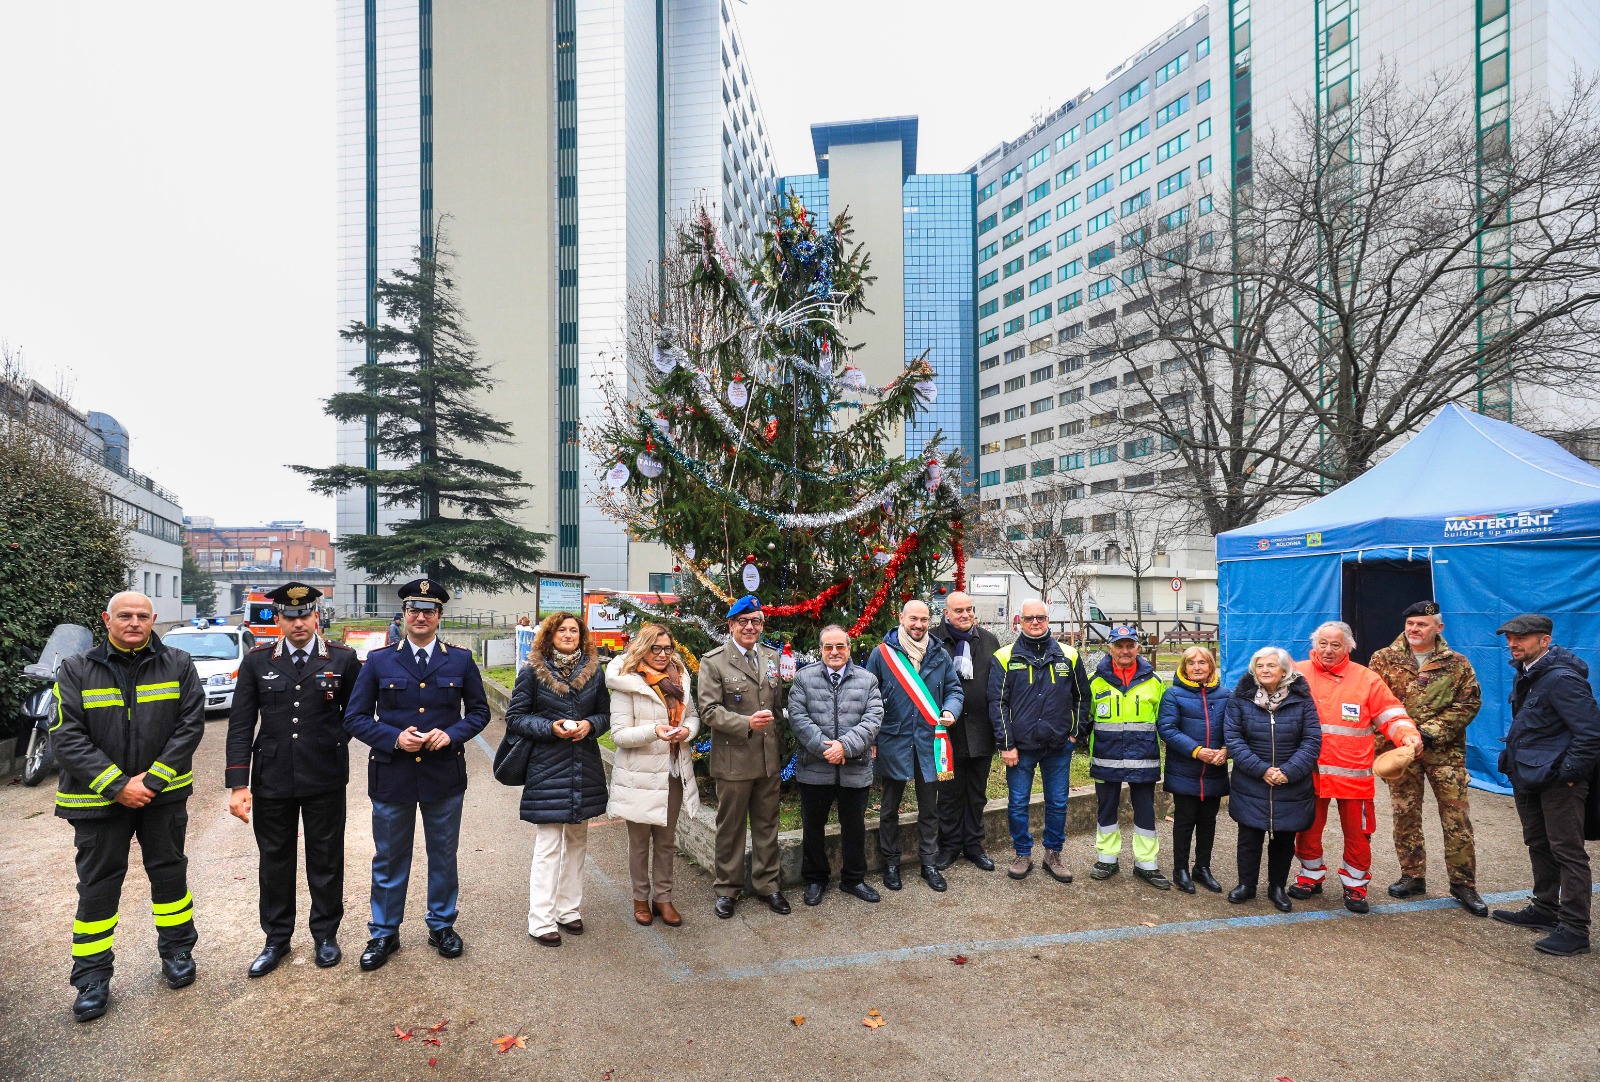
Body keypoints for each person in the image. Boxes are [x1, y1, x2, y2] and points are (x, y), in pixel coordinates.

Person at [50, 591, 206, 1022]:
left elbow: (190, 726)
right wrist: (117, 786)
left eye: (142, 616)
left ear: (154, 619)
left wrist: (151, 781)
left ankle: (177, 953)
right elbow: (66, 736)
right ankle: (92, 979)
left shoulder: (177, 663)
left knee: (170, 874)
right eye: (125, 616)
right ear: (107, 619)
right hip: (98, 801)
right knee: (97, 888)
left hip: (162, 797)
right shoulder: (76, 669)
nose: (134, 622)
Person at [344, 579, 490, 970]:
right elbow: (355, 717)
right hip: (394, 775)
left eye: (428, 611)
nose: (420, 617)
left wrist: (452, 733)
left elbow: (479, 712)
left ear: (439, 616)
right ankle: (384, 932)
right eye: (413, 610)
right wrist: (393, 738)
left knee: (443, 855)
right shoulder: (379, 660)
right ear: (404, 616)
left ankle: (441, 925)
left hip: (443, 775)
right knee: (390, 857)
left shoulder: (459, 660)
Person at [226, 581, 363, 977]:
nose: (298, 622)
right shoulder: (256, 661)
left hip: (324, 775)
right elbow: (240, 725)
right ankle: (276, 940)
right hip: (272, 778)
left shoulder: (342, 658)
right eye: (290, 616)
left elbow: (355, 712)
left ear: (316, 616)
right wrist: (239, 784)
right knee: (274, 861)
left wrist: (334, 740)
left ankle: (325, 935)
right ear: (278, 619)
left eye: (305, 615)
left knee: (326, 859)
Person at [1288, 621, 1423, 913]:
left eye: (1336, 644)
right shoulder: (1296, 674)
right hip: (1309, 772)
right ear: (1314, 644)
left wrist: (1408, 735)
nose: (1328, 650)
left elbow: (1391, 715)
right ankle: (1310, 876)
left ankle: (1355, 885)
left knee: (1359, 834)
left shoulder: (1367, 679)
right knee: (1307, 829)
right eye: (1322, 643)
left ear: (1348, 647)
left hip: (1353, 775)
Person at [1367, 601, 1487, 916]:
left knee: (1456, 818)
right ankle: (1412, 875)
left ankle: (1463, 884)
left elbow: (1469, 702)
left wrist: (1429, 733)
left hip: (1445, 753)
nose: (1414, 630)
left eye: (1421, 624)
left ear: (1438, 627)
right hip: (1400, 753)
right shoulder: (1383, 658)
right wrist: (1397, 739)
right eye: (1410, 624)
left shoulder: (1457, 663)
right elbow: (1373, 702)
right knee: (1405, 815)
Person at [1491, 614, 1600, 956]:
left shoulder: (1561, 679)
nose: (1513, 643)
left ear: (1544, 640)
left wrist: (1567, 773)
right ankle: (1545, 909)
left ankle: (1574, 928)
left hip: (1558, 781)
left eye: (1521, 638)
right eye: (1509, 638)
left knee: (1567, 851)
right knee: (1539, 843)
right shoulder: (1529, 674)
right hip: (1529, 776)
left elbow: (1590, 733)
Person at [508, 611, 611, 946]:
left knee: (578, 842)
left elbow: (605, 714)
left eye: (574, 630)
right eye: (562, 630)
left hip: (583, 765)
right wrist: (550, 727)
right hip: (547, 766)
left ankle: (568, 910)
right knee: (549, 845)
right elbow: (516, 718)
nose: (568, 634)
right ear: (549, 635)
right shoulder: (532, 672)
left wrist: (591, 725)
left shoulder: (594, 673)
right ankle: (540, 920)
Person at [697, 595, 790, 918]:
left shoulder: (771, 657)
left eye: (756, 622)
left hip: (767, 758)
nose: (750, 627)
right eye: (743, 622)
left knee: (767, 825)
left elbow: (776, 708)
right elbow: (708, 711)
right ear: (731, 625)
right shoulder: (714, 661)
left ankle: (768, 885)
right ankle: (727, 888)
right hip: (734, 758)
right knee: (731, 827)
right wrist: (745, 724)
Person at [987, 598, 1090, 883]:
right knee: (1018, 802)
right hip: (1020, 748)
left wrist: (1074, 733)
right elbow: (998, 704)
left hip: (1059, 746)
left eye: (1041, 618)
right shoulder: (1005, 656)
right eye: (1029, 618)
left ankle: (1053, 854)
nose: (1035, 622)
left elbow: (1082, 697)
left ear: (1048, 620)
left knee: (1057, 802)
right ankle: (1022, 853)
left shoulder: (1068, 655)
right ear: (1018, 621)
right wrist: (1006, 744)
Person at [864, 600, 964, 892]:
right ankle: (891, 864)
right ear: (901, 618)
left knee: (929, 808)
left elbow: (954, 690)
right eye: (913, 619)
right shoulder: (882, 654)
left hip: (930, 742)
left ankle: (929, 863)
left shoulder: (939, 654)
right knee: (889, 809)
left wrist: (951, 710)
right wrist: (871, 738)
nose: (918, 625)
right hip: (894, 740)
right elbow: (868, 696)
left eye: (924, 619)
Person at [604, 622, 699, 928]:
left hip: (672, 771)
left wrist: (687, 731)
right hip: (639, 775)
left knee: (667, 840)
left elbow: (694, 717)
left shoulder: (680, 676)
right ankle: (640, 899)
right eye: (655, 648)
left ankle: (663, 898)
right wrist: (654, 731)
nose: (661, 654)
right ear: (643, 648)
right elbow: (619, 734)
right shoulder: (626, 681)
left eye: (667, 648)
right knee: (639, 843)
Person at [787, 625, 885, 906]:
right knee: (813, 826)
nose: (834, 652)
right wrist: (826, 749)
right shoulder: (804, 679)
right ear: (820, 650)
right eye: (828, 647)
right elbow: (798, 718)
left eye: (840, 646)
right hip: (815, 768)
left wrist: (845, 747)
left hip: (854, 767)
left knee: (854, 826)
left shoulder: (867, 681)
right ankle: (816, 879)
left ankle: (854, 879)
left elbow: (873, 719)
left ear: (849, 648)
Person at [1224, 647, 1322, 911]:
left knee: (1283, 840)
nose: (1265, 671)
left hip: (1291, 783)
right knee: (1249, 837)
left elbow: (1312, 740)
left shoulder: (1302, 699)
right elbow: (1233, 739)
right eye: (1260, 666)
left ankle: (1277, 887)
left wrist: (1288, 771)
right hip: (1252, 781)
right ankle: (1247, 885)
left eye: (1271, 666)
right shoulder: (1240, 699)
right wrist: (1262, 770)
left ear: (1284, 670)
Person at [1083, 624, 1170, 889]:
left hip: (1144, 759)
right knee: (1106, 810)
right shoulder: (1094, 681)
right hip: (1105, 758)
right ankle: (1107, 859)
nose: (1124, 651)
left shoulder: (1155, 682)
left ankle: (1146, 863)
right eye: (1119, 646)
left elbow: (1165, 723)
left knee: (1145, 811)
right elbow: (1084, 719)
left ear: (1138, 649)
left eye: (1129, 646)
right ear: (1109, 649)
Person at [931, 592, 1003, 872]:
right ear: (946, 613)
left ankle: (974, 844)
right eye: (958, 610)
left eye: (969, 610)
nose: (965, 615)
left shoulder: (988, 641)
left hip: (981, 732)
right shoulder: (934, 641)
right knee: (948, 794)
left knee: (977, 794)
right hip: (946, 734)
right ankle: (948, 846)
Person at [1156, 645, 1231, 894]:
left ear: (1211, 666)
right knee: (1185, 821)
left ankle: (1202, 868)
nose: (1197, 667)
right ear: (1183, 667)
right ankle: (1181, 870)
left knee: (1208, 821)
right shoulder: (1173, 695)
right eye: (1191, 663)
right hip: (1185, 769)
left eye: (1202, 662)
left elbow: (1234, 729)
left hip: (1214, 771)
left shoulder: (1225, 695)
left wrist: (1225, 750)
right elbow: (1168, 729)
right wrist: (1197, 751)